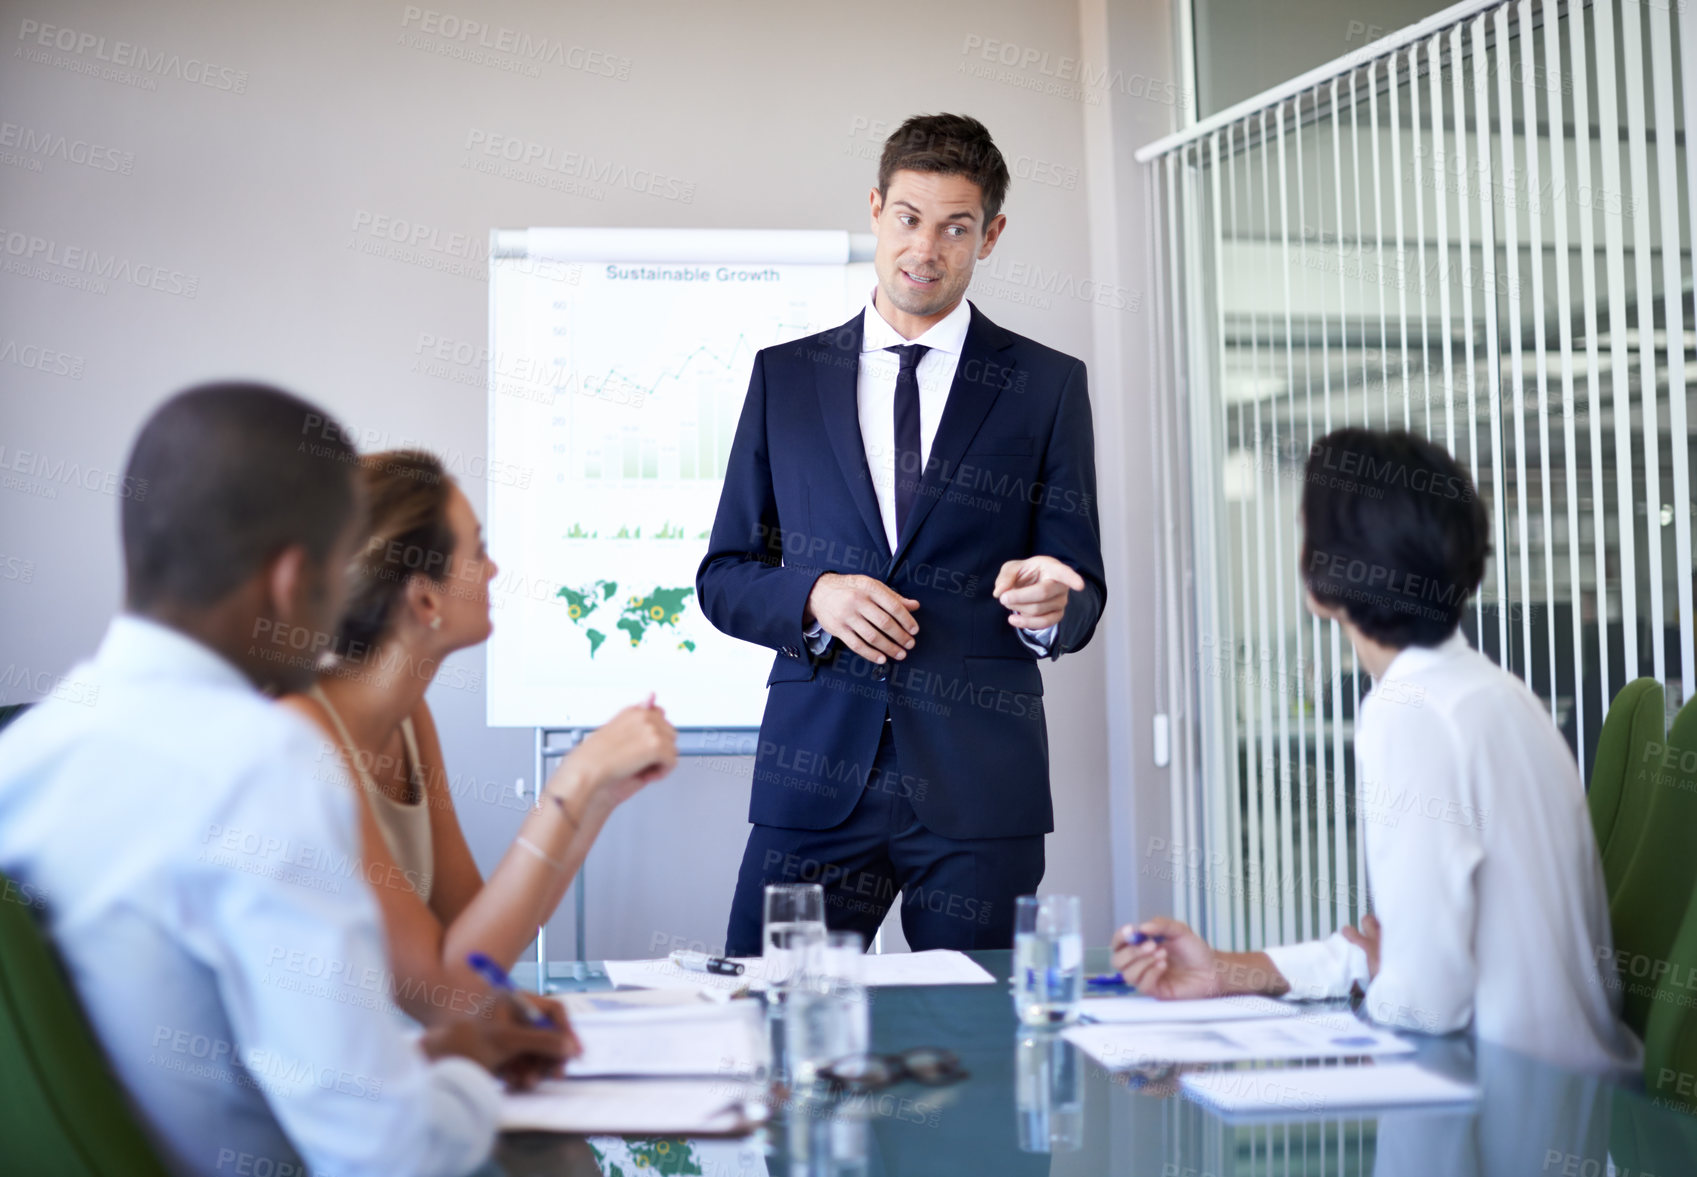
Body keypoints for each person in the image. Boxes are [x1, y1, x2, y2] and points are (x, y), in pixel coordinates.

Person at [0, 384, 568, 1177]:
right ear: (293, 578)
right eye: (343, 570)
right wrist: (471, 1076)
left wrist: (448, 1050)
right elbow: (389, 1152)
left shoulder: (26, 753)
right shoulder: (262, 760)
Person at [699, 113, 1107, 955]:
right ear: (877, 210)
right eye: (909, 219)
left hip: (979, 790)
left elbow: (1080, 588)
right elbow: (724, 573)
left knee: (978, 1053)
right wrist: (813, 593)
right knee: (773, 1033)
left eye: (956, 227)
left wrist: (1049, 603)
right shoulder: (785, 377)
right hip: (814, 777)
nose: (926, 248)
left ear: (989, 235)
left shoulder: (1045, 385)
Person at [1114, 427, 1640, 1075]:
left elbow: (1423, 997)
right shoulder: (1495, 693)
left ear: (1323, 572)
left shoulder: (1407, 714)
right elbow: (1396, 960)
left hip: (1492, 1102)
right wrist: (1226, 970)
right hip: (1564, 1098)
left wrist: (1391, 977)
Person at [281, 449, 678, 1020]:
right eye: (480, 550)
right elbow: (442, 991)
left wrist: (597, 798)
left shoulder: (410, 719)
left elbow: (479, 939)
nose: (493, 570)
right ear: (425, 599)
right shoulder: (303, 731)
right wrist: (575, 776)